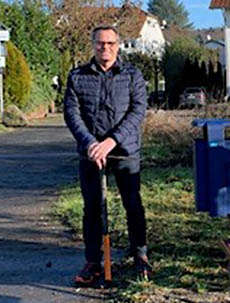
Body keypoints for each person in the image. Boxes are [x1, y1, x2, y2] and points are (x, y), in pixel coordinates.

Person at [64, 25, 150, 285]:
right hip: (91, 153)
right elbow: (71, 113)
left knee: (132, 204)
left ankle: (140, 255)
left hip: (124, 151)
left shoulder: (132, 75)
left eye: (110, 43)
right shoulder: (77, 76)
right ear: (93, 45)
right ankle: (94, 261)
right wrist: (91, 143)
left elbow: (137, 111)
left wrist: (111, 141)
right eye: (101, 43)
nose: (105, 48)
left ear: (118, 45)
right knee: (93, 208)